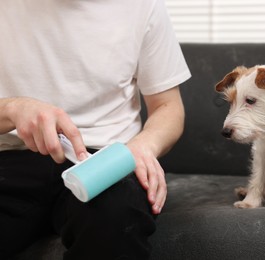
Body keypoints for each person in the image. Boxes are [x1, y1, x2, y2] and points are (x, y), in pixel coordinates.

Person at [0, 0, 191, 259]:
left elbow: (168, 106)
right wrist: (12, 109)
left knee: (115, 216)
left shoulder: (143, 6)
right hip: (9, 158)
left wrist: (143, 146)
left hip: (103, 159)